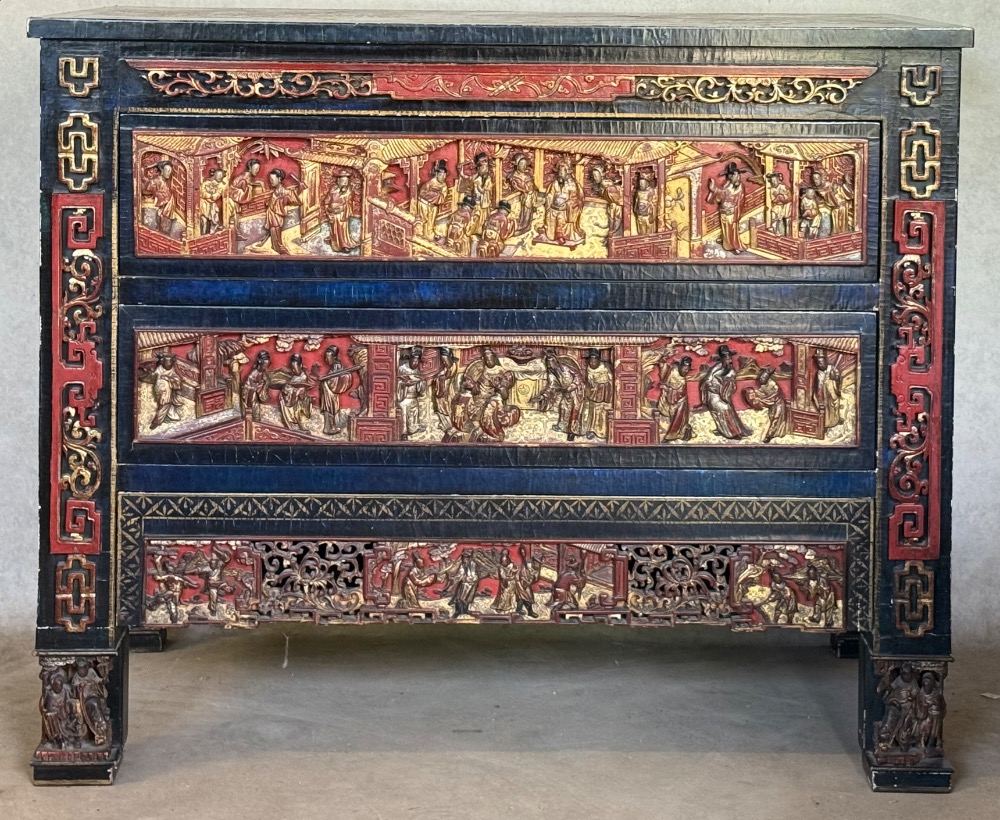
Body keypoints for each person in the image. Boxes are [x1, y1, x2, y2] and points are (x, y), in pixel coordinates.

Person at [700, 344, 749, 439]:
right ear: (722, 359)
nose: (729, 361)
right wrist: (711, 385)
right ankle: (726, 431)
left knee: (726, 408)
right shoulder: (716, 367)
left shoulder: (731, 371)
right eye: (726, 359)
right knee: (720, 409)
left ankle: (733, 431)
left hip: (723, 394)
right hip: (712, 394)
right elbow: (707, 379)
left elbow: (732, 384)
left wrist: (721, 384)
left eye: (730, 359)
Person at [250, 168, 302, 255]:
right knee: (273, 229)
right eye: (270, 179)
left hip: (277, 214)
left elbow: (293, 197)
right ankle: (273, 245)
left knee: (276, 229)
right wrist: (269, 202)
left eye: (272, 179)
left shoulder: (284, 191)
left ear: (279, 179)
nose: (271, 181)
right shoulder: (276, 190)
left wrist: (300, 188)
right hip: (272, 213)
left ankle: (279, 247)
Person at [537, 348, 585, 440]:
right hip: (566, 392)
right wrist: (543, 396)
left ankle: (573, 431)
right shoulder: (551, 373)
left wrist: (572, 386)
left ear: (555, 361)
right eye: (548, 363)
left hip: (576, 390)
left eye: (551, 362)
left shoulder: (565, 367)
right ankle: (563, 427)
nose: (550, 365)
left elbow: (578, 376)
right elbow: (551, 386)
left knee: (575, 410)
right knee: (563, 407)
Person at [536, 159, 585, 246]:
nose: (560, 174)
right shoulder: (555, 183)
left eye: (562, 172)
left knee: (561, 218)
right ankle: (548, 232)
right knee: (550, 215)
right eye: (559, 172)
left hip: (565, 209)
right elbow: (550, 194)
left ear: (567, 173)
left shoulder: (572, 185)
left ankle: (560, 236)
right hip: (553, 207)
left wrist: (566, 205)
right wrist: (547, 200)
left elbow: (574, 199)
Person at [705, 161, 747, 253]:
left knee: (732, 229)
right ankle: (726, 241)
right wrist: (714, 189)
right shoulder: (727, 184)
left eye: (737, 175)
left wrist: (716, 189)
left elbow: (733, 196)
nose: (736, 177)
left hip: (732, 211)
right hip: (723, 210)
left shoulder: (739, 186)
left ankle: (735, 246)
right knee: (725, 228)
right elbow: (721, 195)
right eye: (733, 175)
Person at [743, 367, 790, 442]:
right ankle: (772, 434)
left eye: (763, 377)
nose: (761, 379)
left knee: (776, 418)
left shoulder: (774, 386)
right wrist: (752, 392)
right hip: (772, 406)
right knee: (771, 417)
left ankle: (769, 436)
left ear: (767, 377)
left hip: (778, 404)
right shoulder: (764, 385)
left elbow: (773, 397)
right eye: (761, 377)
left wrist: (762, 400)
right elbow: (761, 392)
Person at [656, 356, 693, 442]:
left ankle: (672, 435)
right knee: (674, 417)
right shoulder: (673, 372)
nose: (686, 372)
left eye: (688, 370)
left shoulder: (682, 380)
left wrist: (668, 388)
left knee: (678, 420)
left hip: (681, 401)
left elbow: (680, 392)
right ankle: (678, 433)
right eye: (684, 369)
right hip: (673, 401)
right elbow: (666, 381)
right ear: (680, 367)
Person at [319, 345, 354, 435]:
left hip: (331, 392)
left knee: (331, 409)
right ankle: (328, 428)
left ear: (334, 357)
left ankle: (331, 427)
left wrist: (326, 381)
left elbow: (336, 381)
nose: (326, 360)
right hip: (327, 392)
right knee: (328, 409)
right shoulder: (333, 367)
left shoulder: (337, 367)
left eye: (328, 358)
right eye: (325, 357)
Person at [144, 352, 184, 430]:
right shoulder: (159, 369)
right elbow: (153, 377)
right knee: (164, 403)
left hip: (167, 391)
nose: (169, 364)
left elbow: (177, 379)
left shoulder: (172, 370)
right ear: (162, 362)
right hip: (160, 389)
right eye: (167, 362)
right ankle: (165, 419)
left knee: (166, 403)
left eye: (170, 362)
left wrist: (169, 379)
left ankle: (163, 419)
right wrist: (150, 373)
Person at [580, 349, 613, 441]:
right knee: (592, 409)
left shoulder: (605, 367)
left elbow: (611, 379)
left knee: (602, 409)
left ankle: (602, 431)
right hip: (594, 392)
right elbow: (589, 379)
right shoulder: (589, 368)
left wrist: (606, 387)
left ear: (598, 361)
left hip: (605, 390)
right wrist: (592, 384)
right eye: (591, 361)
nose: (592, 363)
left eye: (594, 361)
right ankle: (591, 429)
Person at [324, 170, 360, 253]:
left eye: (346, 182)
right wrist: (329, 209)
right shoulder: (333, 189)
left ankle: (344, 244)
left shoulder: (349, 191)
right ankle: (334, 242)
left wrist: (342, 206)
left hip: (342, 213)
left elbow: (349, 201)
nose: (344, 183)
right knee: (334, 227)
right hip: (333, 212)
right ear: (338, 181)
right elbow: (327, 200)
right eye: (343, 181)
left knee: (341, 227)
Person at [143, 159, 181, 236]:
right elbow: (146, 191)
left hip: (166, 207)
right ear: (162, 170)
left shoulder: (164, 182)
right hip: (162, 207)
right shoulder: (155, 181)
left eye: (170, 171)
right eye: (167, 171)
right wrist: (158, 194)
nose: (169, 173)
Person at [396, 347, 427, 439]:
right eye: (414, 361)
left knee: (414, 413)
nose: (416, 363)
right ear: (410, 359)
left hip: (413, 396)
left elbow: (420, 384)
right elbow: (396, 381)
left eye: (417, 362)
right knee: (404, 415)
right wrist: (404, 384)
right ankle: (403, 433)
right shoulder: (402, 368)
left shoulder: (416, 370)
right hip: (404, 396)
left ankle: (412, 428)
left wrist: (421, 382)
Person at [416, 159, 450, 241]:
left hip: (434, 206)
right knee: (422, 220)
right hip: (423, 204)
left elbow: (442, 198)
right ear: (437, 174)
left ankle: (429, 236)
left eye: (444, 175)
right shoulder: (431, 182)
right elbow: (423, 193)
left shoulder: (444, 186)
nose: (443, 177)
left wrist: (433, 194)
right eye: (441, 175)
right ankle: (420, 235)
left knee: (431, 223)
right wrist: (435, 194)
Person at [278, 353, 312, 430]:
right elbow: (290, 385)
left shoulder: (303, 376)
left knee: (295, 397)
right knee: (282, 396)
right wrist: (286, 389)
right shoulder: (294, 377)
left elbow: (302, 389)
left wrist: (294, 392)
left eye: (295, 368)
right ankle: (288, 421)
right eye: (292, 368)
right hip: (291, 397)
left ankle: (299, 422)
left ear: (300, 366)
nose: (293, 370)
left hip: (300, 399)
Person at [228, 158, 264, 231]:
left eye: (258, 169)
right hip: (234, 196)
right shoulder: (246, 175)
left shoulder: (247, 176)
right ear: (250, 168)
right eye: (256, 169)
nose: (257, 171)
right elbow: (246, 188)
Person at [590, 163, 622, 242]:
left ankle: (613, 239)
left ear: (601, 175)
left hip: (615, 206)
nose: (594, 178)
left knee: (614, 222)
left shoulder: (606, 184)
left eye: (596, 176)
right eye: (593, 176)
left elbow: (616, 197)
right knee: (611, 221)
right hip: (611, 205)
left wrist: (615, 202)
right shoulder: (601, 184)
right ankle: (611, 237)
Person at [506, 153, 537, 234]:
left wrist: (530, 189)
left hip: (529, 197)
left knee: (529, 200)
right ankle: (520, 225)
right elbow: (521, 187)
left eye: (525, 164)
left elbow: (533, 187)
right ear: (517, 164)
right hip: (518, 199)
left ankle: (526, 225)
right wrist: (526, 188)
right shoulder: (513, 177)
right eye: (522, 164)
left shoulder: (528, 175)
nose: (524, 166)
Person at [812, 350, 842, 433]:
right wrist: (819, 391)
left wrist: (835, 377)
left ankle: (836, 420)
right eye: (819, 364)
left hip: (832, 391)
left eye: (821, 363)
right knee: (825, 409)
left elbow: (838, 379)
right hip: (823, 393)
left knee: (834, 406)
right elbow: (818, 385)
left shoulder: (832, 368)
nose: (820, 365)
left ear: (825, 361)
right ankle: (826, 424)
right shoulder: (819, 372)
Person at [467, 153, 494, 237]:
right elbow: (470, 187)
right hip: (476, 202)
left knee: (483, 217)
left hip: (484, 202)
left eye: (486, 167)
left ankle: (481, 231)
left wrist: (479, 187)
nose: (484, 169)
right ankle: (473, 230)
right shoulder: (476, 178)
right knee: (476, 216)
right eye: (482, 167)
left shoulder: (488, 179)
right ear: (478, 168)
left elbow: (484, 191)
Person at [242, 350, 271, 422]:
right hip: (251, 394)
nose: (266, 368)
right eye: (264, 366)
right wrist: (258, 386)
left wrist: (263, 383)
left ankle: (256, 419)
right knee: (254, 405)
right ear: (260, 363)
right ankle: (254, 419)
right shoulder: (254, 374)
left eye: (267, 366)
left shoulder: (263, 373)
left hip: (257, 392)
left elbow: (266, 381)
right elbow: (248, 386)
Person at [514, 547, 542, 618]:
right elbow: (519, 573)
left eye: (523, 552)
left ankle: (522, 610)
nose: (523, 553)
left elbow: (534, 576)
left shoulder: (531, 565)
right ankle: (527, 611)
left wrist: (530, 580)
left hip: (526, 583)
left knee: (527, 596)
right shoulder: (524, 563)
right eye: (521, 552)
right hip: (520, 582)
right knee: (524, 596)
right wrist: (520, 581)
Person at [199, 167, 227, 235]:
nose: (220, 177)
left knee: (215, 218)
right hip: (203, 203)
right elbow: (201, 191)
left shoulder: (221, 185)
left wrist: (213, 196)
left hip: (212, 204)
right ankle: (203, 234)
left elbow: (217, 194)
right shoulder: (206, 182)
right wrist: (209, 195)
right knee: (203, 220)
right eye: (218, 175)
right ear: (215, 175)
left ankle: (212, 233)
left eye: (221, 175)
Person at [765, 171, 791, 236]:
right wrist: (778, 197)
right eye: (772, 181)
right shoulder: (772, 189)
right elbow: (773, 200)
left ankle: (787, 233)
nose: (774, 182)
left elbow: (789, 196)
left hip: (785, 205)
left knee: (786, 219)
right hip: (777, 206)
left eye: (775, 180)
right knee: (774, 217)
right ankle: (776, 232)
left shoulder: (783, 186)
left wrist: (782, 196)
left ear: (778, 180)